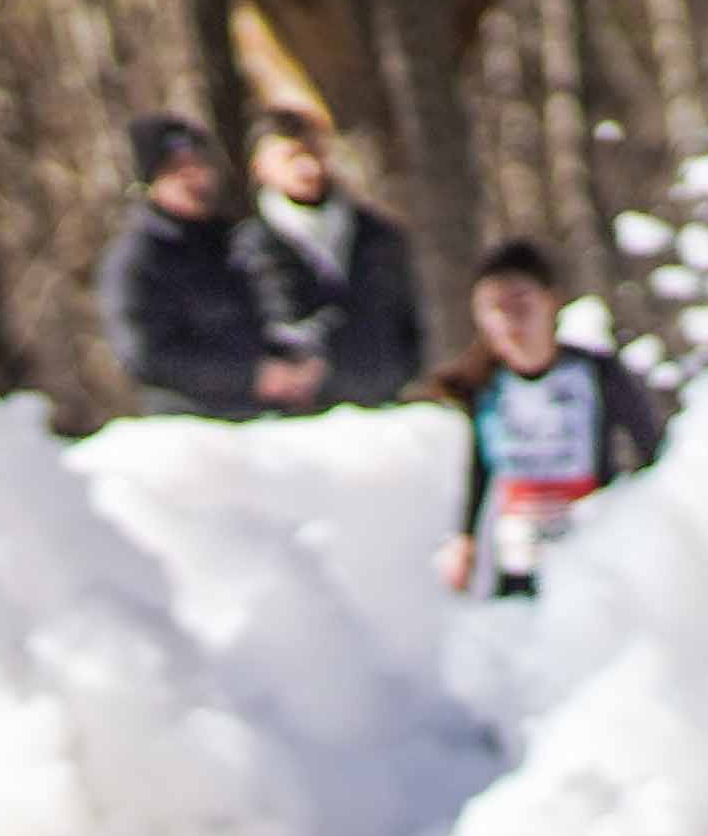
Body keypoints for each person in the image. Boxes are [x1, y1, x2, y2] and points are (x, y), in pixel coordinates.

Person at [432, 242, 669, 596]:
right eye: (494, 307)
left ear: (551, 301)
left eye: (520, 302)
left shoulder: (595, 373)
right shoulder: (483, 384)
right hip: (517, 562)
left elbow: (653, 452)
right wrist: (465, 539)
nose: (509, 319)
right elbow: (479, 468)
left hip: (592, 557)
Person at [237, 107, 432, 410]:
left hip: (383, 407)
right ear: (260, 166)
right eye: (292, 156)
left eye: (315, 152)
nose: (308, 166)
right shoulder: (248, 248)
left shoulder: (377, 234)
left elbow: (408, 320)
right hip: (300, 420)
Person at [95, 113, 275, 416]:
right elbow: (144, 355)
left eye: (199, 165)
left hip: (265, 418)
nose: (193, 178)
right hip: (190, 428)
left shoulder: (234, 240)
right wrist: (250, 376)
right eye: (175, 169)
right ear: (149, 181)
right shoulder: (136, 259)